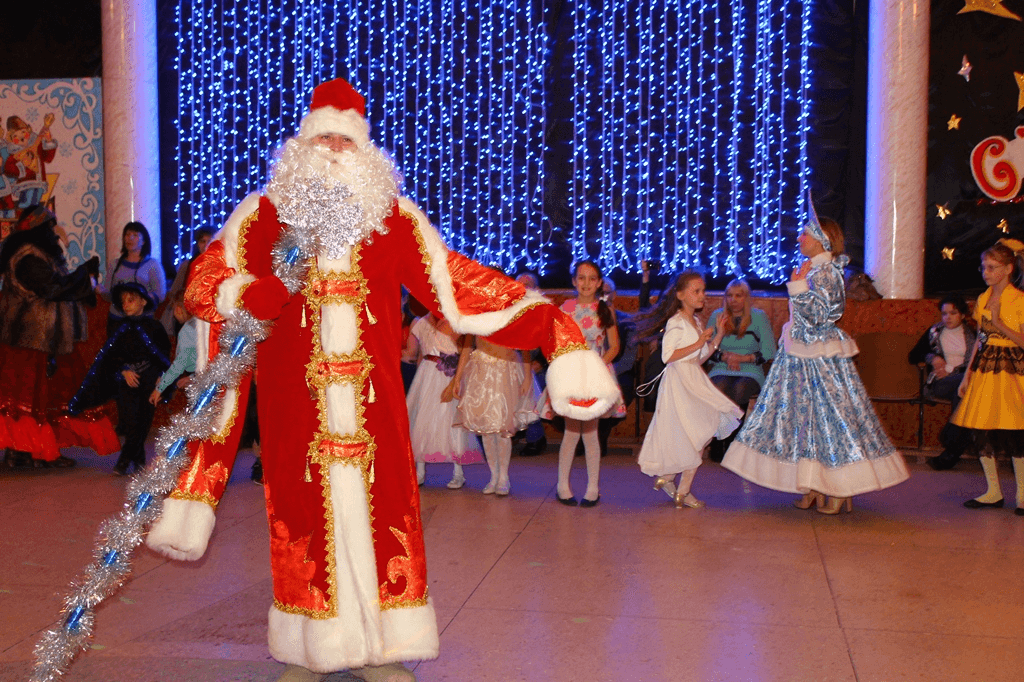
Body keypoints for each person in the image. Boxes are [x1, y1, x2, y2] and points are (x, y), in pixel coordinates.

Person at [142, 77, 618, 682]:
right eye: (326, 138)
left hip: (375, 413)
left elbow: (460, 287)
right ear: (303, 144)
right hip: (296, 415)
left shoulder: (394, 221)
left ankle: (387, 650)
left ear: (365, 149)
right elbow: (204, 285)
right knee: (300, 522)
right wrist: (244, 293)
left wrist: (557, 330)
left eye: (347, 139)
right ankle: (310, 650)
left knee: (388, 516)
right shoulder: (260, 218)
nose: (336, 149)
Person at [721, 208, 909, 514]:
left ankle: (838, 488)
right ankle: (812, 485)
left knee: (828, 421)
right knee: (804, 424)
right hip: (800, 359)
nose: (800, 237)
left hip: (818, 361)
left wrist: (797, 288)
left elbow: (823, 315)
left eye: (806, 233)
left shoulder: (826, 272)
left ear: (822, 240)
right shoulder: (812, 269)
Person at [0, 205, 104, 468]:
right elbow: (52, 288)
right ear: (37, 230)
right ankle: (23, 452)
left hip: (45, 341)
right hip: (29, 341)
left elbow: (59, 286)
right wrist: (85, 278)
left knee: (44, 400)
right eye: (49, 227)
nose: (54, 233)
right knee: (26, 400)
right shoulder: (27, 257)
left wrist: (84, 276)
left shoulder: (40, 255)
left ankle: (36, 451)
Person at [635, 271, 743, 508]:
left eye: (703, 290)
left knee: (700, 433)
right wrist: (697, 342)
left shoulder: (695, 322)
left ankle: (673, 481)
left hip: (693, 380)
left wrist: (717, 337)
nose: (702, 295)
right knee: (698, 433)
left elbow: (698, 358)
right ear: (681, 295)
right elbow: (668, 356)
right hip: (680, 385)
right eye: (696, 291)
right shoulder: (676, 322)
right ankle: (680, 489)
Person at [540, 260, 626, 507]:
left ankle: (592, 487)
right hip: (571, 375)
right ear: (574, 281)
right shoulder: (565, 308)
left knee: (590, 432)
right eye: (581, 278)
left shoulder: (605, 309)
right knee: (570, 432)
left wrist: (596, 366)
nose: (586, 283)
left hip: (595, 375)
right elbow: (555, 341)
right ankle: (562, 485)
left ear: (599, 283)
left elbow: (614, 345)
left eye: (591, 278)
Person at [950, 239, 1024, 515]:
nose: (986, 272)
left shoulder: (1019, 300)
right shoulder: (983, 298)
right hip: (985, 368)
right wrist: (967, 374)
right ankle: (993, 491)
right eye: (984, 267)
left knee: (1015, 431)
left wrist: (1001, 325)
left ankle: (1022, 494)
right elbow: (980, 339)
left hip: (1012, 369)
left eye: (992, 268)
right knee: (981, 429)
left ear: (1007, 269)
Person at [69, 282, 171, 475]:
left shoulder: (155, 326)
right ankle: (129, 459)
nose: (126, 305)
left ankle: (133, 459)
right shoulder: (119, 329)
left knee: (144, 421)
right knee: (130, 420)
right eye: (123, 301)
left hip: (150, 381)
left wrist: (161, 376)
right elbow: (110, 357)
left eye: (131, 300)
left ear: (143, 301)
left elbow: (163, 353)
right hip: (127, 382)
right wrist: (124, 370)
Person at [405, 313, 483, 488]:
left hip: (446, 374)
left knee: (450, 419)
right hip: (426, 373)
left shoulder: (456, 320)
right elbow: (420, 354)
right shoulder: (420, 321)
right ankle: (420, 472)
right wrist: (420, 377)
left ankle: (458, 473)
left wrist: (457, 379)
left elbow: (465, 351)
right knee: (422, 420)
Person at [454, 334, 537, 495]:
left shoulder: (508, 311)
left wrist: (527, 376)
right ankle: (493, 476)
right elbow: (467, 347)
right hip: (480, 373)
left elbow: (525, 344)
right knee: (485, 429)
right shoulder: (475, 316)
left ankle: (503, 476)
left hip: (504, 370)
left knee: (502, 427)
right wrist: (458, 378)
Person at [705, 279, 777, 462]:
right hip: (722, 367)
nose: (733, 300)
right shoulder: (717, 316)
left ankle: (731, 444)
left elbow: (770, 351)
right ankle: (718, 440)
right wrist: (725, 358)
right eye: (729, 296)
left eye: (738, 295)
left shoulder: (759, 317)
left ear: (746, 298)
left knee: (740, 389)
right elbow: (706, 349)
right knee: (720, 388)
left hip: (750, 369)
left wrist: (743, 358)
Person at [907, 295, 976, 471]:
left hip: (964, 385)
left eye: (953, 313)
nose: (948, 317)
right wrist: (934, 358)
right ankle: (952, 437)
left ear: (962, 315)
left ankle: (951, 447)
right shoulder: (934, 332)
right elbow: (913, 356)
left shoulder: (973, 335)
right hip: (940, 384)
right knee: (964, 386)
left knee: (961, 392)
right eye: (944, 313)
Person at [103, 221, 166, 336]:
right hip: (117, 320)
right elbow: (108, 292)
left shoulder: (152, 265)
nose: (130, 238)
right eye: (127, 235)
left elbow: (160, 294)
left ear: (144, 241)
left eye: (135, 235)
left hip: (143, 321)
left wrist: (142, 298)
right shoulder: (115, 264)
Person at [149, 292, 198, 407]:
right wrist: (192, 378)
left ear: (179, 309)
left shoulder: (187, 331)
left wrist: (159, 388)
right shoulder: (203, 324)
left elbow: (179, 364)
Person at [162, 227, 213, 335]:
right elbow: (174, 293)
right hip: (188, 319)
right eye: (202, 241)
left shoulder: (223, 265)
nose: (206, 245)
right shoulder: (188, 265)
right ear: (197, 243)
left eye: (210, 241)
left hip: (212, 318)